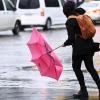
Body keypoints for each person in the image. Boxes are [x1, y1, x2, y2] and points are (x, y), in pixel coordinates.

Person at [61, 1, 100, 99]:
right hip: (90, 45)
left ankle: (83, 91)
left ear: (66, 10)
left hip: (79, 48)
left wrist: (64, 44)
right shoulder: (81, 15)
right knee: (90, 68)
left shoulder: (70, 21)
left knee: (76, 67)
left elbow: (71, 39)